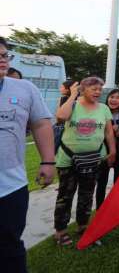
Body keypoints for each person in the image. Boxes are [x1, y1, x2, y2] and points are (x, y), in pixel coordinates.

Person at [0, 37, 55, 273]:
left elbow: (41, 124)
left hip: (10, 186)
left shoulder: (25, 89)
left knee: (10, 246)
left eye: (4, 55)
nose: (2, 60)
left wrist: (48, 161)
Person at [53, 77, 116, 246]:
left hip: (94, 158)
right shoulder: (72, 105)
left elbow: (109, 132)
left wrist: (112, 151)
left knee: (87, 195)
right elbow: (60, 117)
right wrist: (73, 95)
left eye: (100, 89)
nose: (98, 92)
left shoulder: (103, 108)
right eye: (93, 89)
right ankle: (60, 230)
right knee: (65, 196)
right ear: (83, 89)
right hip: (68, 159)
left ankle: (83, 225)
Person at [53, 79, 75, 154]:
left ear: (68, 89)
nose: (60, 89)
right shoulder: (78, 100)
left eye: (62, 87)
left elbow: (59, 117)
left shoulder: (63, 99)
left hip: (62, 128)